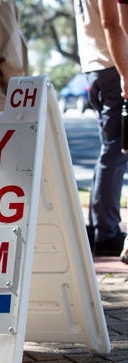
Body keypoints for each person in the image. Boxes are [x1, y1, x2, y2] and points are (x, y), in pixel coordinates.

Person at [75, 0, 128, 260]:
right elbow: (110, 22)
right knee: (116, 151)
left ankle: (99, 229)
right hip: (113, 67)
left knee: (111, 150)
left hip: (96, 67)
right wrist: (126, 75)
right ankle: (105, 233)